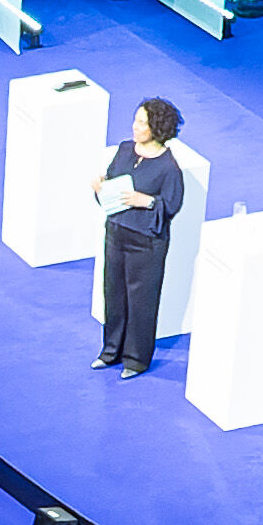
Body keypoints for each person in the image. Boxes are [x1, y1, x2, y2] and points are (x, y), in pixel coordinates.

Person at [90, 96, 185, 380]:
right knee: (114, 294)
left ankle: (136, 359)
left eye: (142, 123)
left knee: (141, 301)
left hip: (146, 244)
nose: (135, 126)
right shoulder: (124, 150)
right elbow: (112, 183)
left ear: (156, 128)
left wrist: (148, 201)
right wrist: (101, 188)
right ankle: (111, 351)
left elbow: (172, 205)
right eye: (135, 120)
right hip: (116, 233)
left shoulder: (169, 168)